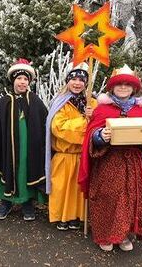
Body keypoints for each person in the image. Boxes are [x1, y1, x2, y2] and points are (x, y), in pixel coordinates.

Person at [79, 65, 142, 251]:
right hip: (108, 162)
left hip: (135, 164)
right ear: (112, 87)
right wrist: (99, 136)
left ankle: (124, 235)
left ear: (133, 88)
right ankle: (105, 235)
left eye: (127, 85)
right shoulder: (102, 109)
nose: (123, 87)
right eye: (119, 84)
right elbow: (91, 135)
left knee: (132, 198)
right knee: (107, 197)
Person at [0, 59, 47, 221]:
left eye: (25, 79)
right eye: (19, 78)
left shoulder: (36, 101)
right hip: (8, 146)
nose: (22, 82)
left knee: (26, 169)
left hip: (28, 145)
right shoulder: (3, 103)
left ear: (29, 82)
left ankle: (27, 203)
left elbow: (44, 123)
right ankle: (6, 202)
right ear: (13, 81)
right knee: (8, 167)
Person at [45, 62, 97, 231]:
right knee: (61, 187)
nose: (77, 83)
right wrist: (84, 121)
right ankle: (62, 216)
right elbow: (58, 127)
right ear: (67, 81)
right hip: (64, 155)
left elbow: (100, 126)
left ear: (86, 83)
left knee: (78, 190)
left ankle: (76, 217)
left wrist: (93, 116)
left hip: (83, 156)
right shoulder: (61, 102)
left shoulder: (93, 103)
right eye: (73, 78)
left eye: (81, 79)